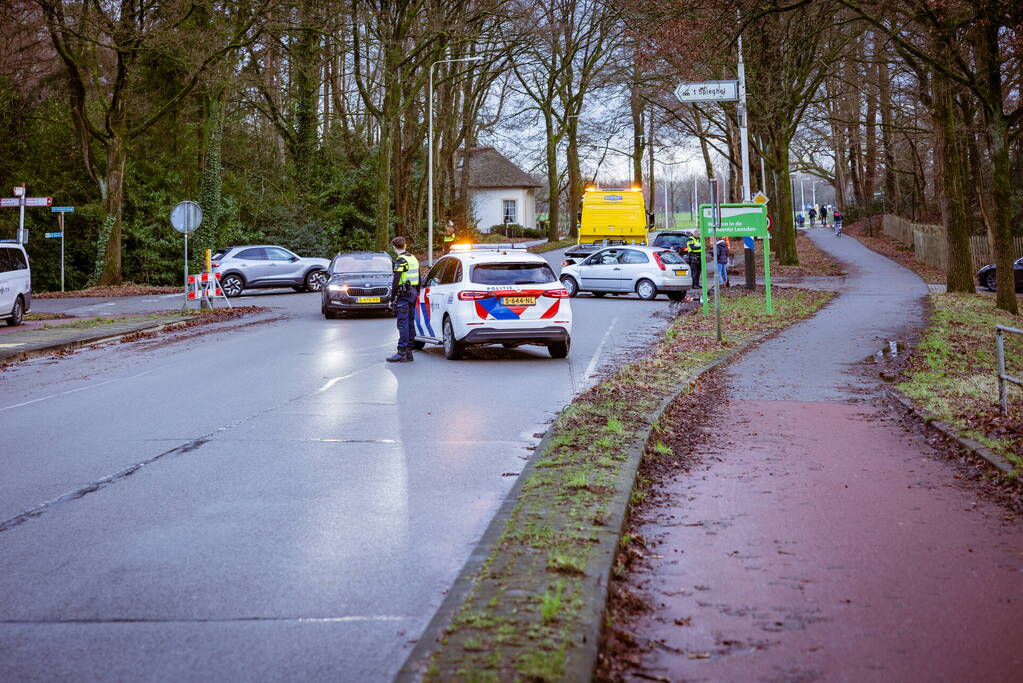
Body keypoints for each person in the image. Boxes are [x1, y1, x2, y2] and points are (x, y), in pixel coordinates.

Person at [386, 236, 420, 363]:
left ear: (394, 247)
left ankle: (402, 352)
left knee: (403, 323)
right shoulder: (414, 259)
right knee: (410, 322)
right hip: (413, 293)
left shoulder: (401, 261)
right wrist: (418, 292)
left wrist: (392, 298)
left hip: (404, 295)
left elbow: (396, 282)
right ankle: (409, 352)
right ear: (405, 245)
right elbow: (419, 277)